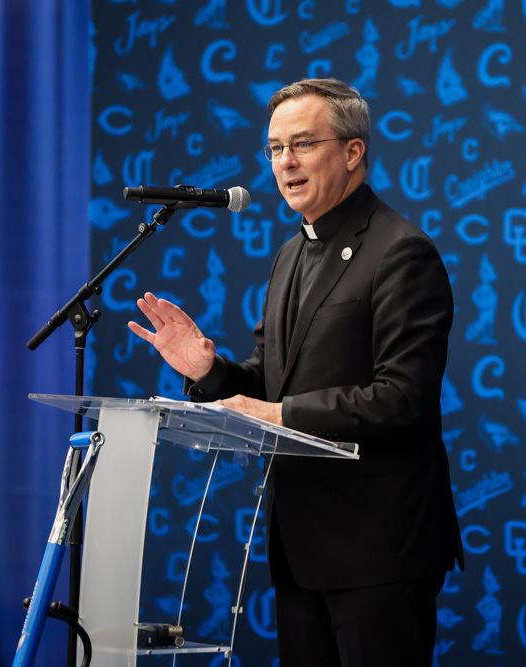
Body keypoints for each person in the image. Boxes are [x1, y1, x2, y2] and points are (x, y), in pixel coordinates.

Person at [129, 78, 464, 666]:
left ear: (353, 152)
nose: (286, 162)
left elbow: (400, 399)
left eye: (304, 144)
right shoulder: (290, 254)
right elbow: (271, 382)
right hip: (300, 547)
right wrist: (208, 372)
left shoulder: (402, 252)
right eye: (276, 148)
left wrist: (277, 414)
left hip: (379, 549)